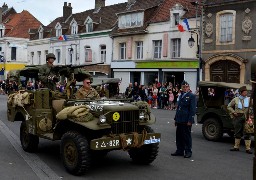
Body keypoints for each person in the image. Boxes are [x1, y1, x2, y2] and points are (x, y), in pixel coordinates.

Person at [171, 80, 196, 158]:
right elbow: (179, 108)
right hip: (179, 119)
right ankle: (180, 150)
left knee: (186, 136)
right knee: (179, 136)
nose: (185, 88)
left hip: (186, 120)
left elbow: (192, 110)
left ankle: (188, 151)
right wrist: (176, 119)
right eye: (183, 87)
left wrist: (190, 120)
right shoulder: (181, 95)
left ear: (188, 87)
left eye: (186, 87)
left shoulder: (191, 96)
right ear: (181, 87)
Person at [227, 86, 252, 154]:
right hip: (238, 117)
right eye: (244, 92)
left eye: (246, 92)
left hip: (246, 117)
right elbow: (229, 106)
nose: (246, 93)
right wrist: (233, 112)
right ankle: (236, 147)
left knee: (247, 132)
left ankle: (248, 148)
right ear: (241, 93)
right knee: (237, 132)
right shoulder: (235, 99)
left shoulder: (249, 99)